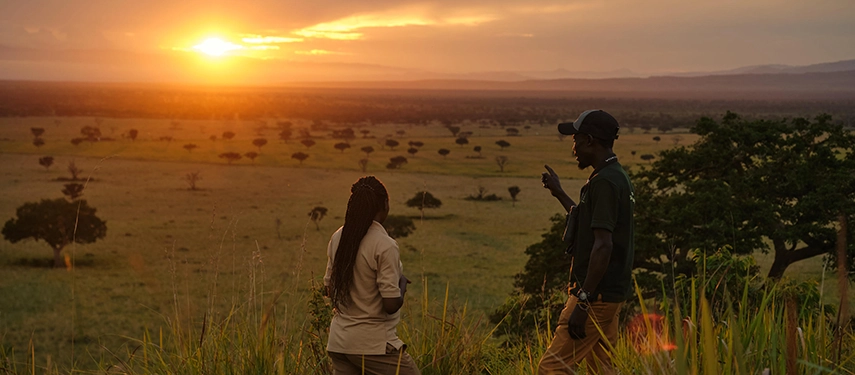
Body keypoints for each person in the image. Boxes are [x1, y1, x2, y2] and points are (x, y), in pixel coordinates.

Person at [537, 110, 636, 374]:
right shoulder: (615, 176)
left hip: (596, 297)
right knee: (602, 369)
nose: (574, 147)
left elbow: (603, 245)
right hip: (609, 295)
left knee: (551, 369)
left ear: (590, 140)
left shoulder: (604, 182)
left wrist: (583, 301)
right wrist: (559, 193)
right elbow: (588, 224)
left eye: (576, 140)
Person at [324, 176, 421, 375]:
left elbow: (329, 290)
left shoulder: (338, 237)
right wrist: (401, 284)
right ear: (385, 204)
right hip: (373, 345)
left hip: (339, 343)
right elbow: (391, 304)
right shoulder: (384, 244)